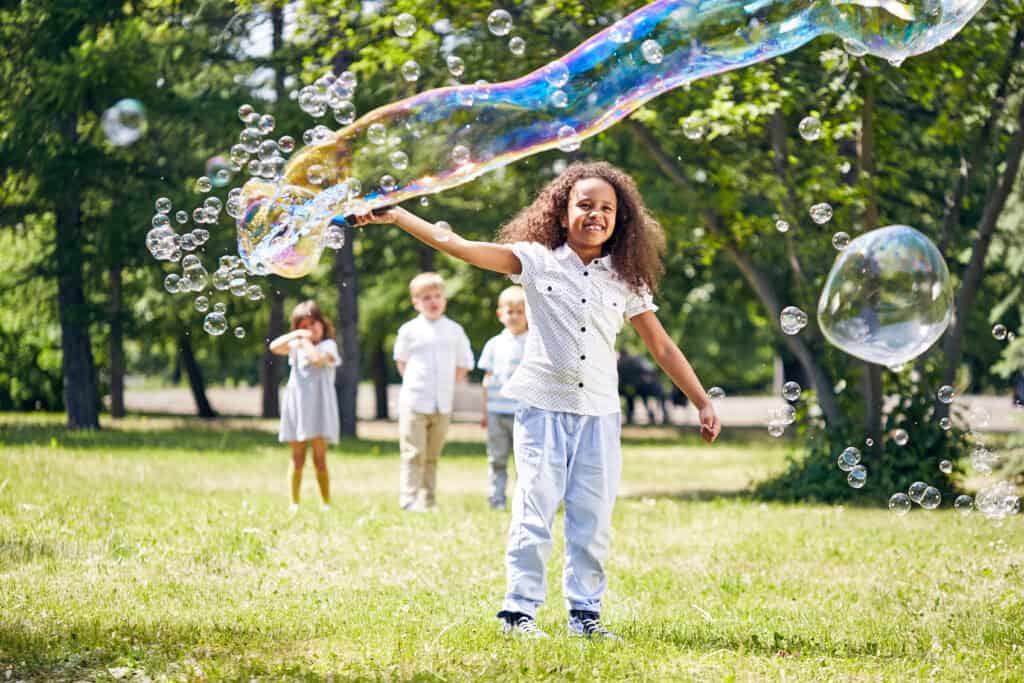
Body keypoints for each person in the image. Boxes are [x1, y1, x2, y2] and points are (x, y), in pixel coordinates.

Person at [352, 161, 721, 640]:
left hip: (600, 415)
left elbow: (663, 347)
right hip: (542, 408)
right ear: (561, 211)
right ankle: (518, 614)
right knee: (535, 509)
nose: (596, 214)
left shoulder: (627, 279)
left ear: (620, 219)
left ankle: (585, 616)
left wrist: (701, 400)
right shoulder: (535, 259)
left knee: (592, 517)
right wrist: (398, 216)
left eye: (607, 208)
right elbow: (458, 245)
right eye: (585, 204)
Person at [393, 272, 474, 512]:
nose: (433, 301)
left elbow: (464, 363)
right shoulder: (409, 330)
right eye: (426, 297)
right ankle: (409, 499)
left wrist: (447, 385)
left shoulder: (455, 330)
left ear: (444, 299)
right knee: (413, 452)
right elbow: (402, 362)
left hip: (443, 404)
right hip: (415, 401)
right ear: (416, 302)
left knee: (432, 455)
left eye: (437, 296)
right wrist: (418, 385)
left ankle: (428, 500)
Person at [269, 300, 341, 512]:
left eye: (314, 324)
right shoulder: (296, 344)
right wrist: (296, 336)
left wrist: (304, 341)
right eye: (304, 326)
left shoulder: (328, 346)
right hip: (298, 406)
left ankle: (325, 503)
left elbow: (317, 360)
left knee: (320, 458)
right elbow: (273, 346)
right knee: (297, 457)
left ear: (323, 324)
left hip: (319, 407)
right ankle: (294, 502)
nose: (310, 330)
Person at [477, 285, 529, 511]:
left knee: (524, 462)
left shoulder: (534, 343)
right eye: (510, 312)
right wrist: (484, 412)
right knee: (497, 458)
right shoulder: (494, 344)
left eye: (520, 312)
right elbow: (486, 381)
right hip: (496, 412)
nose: (515, 317)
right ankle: (496, 498)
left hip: (523, 413)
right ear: (501, 314)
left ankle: (524, 502)